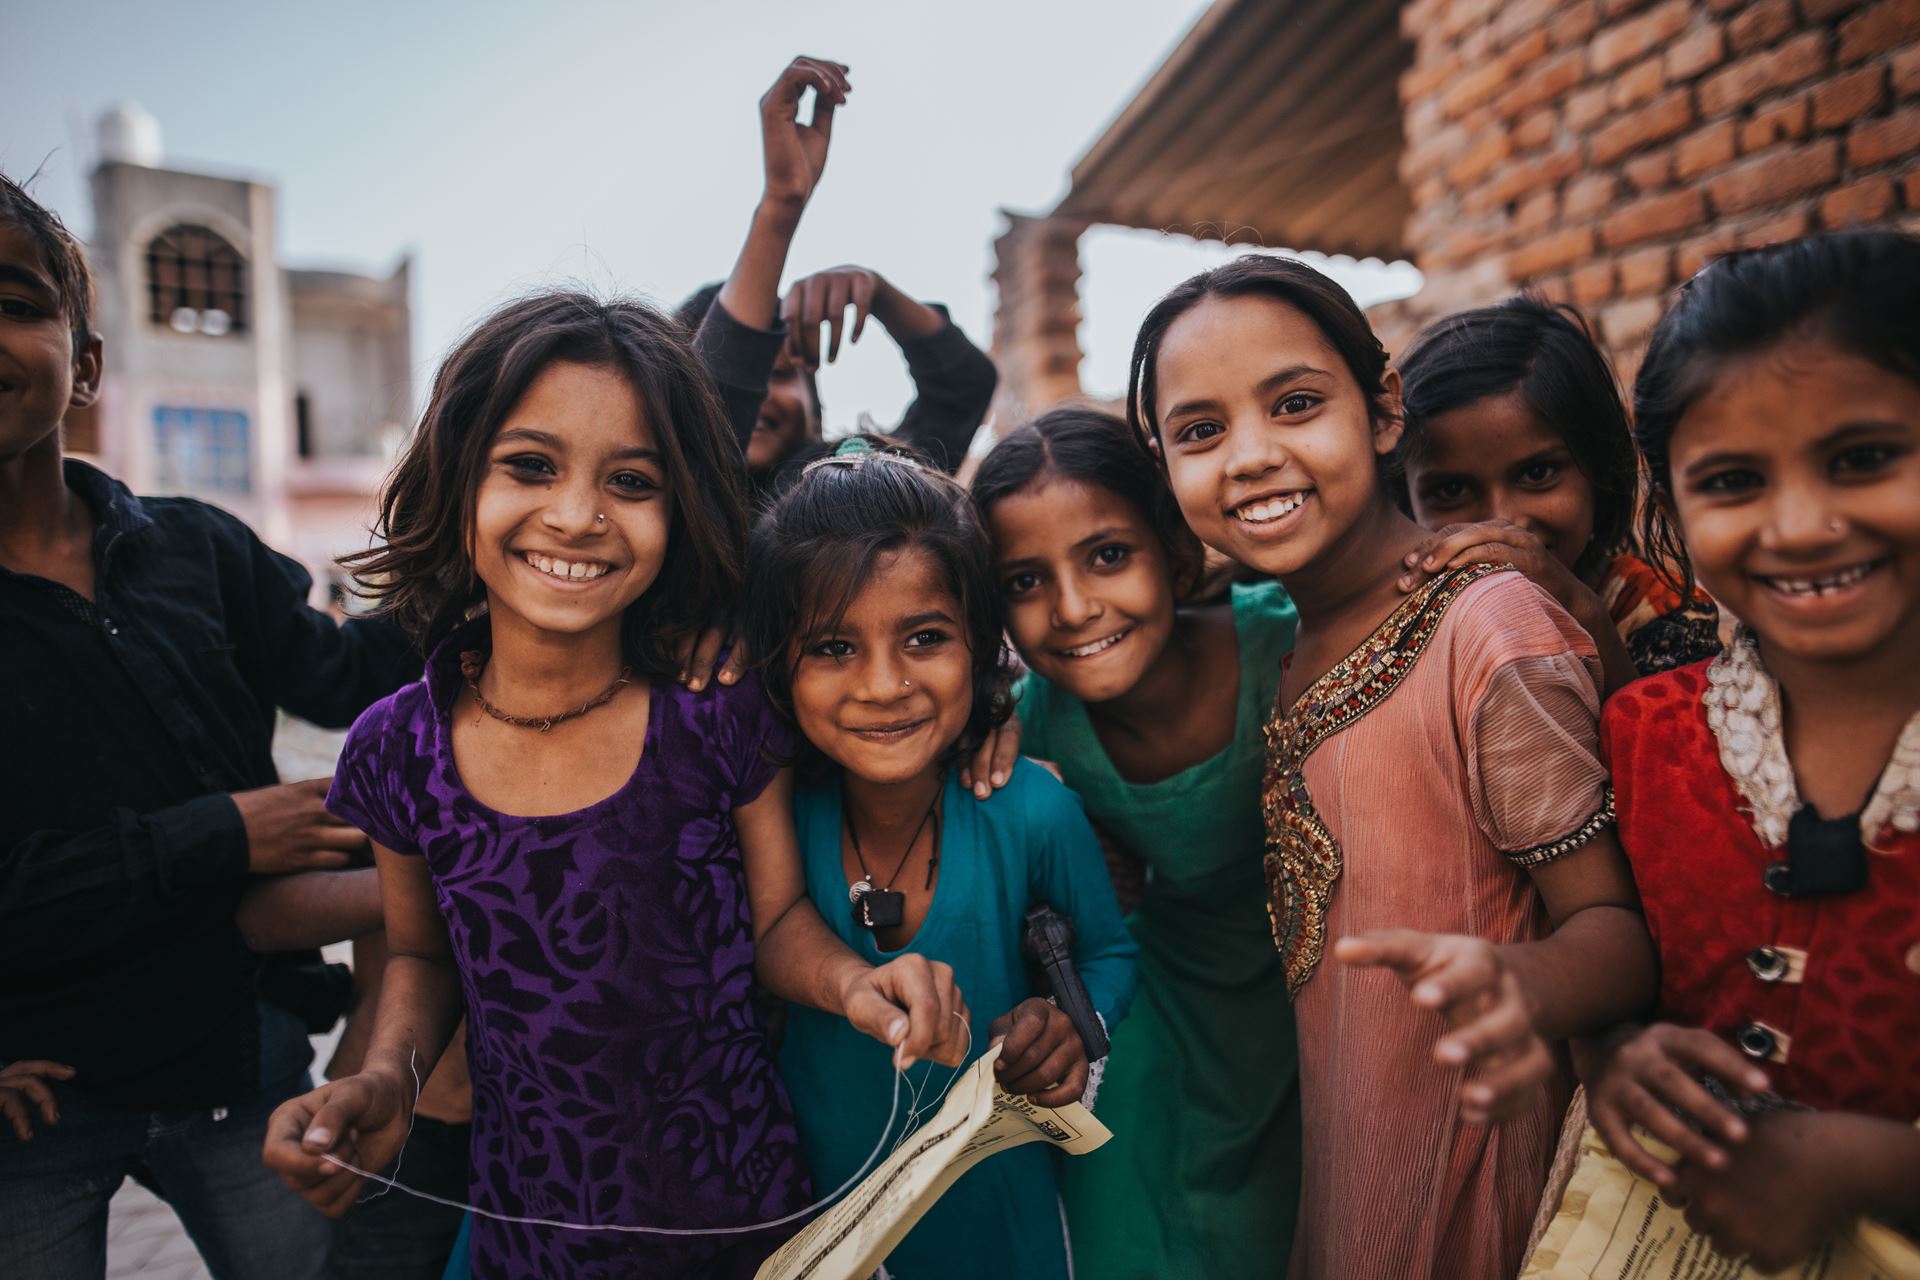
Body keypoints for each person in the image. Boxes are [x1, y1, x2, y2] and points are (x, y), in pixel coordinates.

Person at [257, 285, 968, 1280]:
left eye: (631, 480)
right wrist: (385, 1076)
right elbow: (420, 955)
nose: (578, 514)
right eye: (531, 465)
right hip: (533, 1232)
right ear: (458, 475)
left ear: (682, 510)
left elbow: (774, 925)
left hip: (748, 1216)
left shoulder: (713, 713)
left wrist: (856, 983)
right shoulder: (399, 747)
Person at [1127, 253, 1657, 1279]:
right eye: (1201, 431)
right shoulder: (1286, 639)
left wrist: (1525, 978)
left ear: (1382, 411)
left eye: (1293, 403)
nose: (1249, 456)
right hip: (1346, 1182)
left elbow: (1617, 931)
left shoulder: (1485, 628)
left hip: (1474, 1179)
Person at [0, 171, 419, 1279]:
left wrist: (481, 547)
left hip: (244, 1066)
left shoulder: (200, 547)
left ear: (85, 361)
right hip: (33, 1113)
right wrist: (223, 834)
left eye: (14, 300)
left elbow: (352, 674)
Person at [1581, 230, 1920, 1271]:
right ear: (1671, 501)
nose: (1803, 524)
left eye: (1862, 458)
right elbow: (1624, 985)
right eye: (1732, 479)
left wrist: (1867, 1165)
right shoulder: (1646, 731)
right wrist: (1614, 1057)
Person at [743, 438, 1137, 1280]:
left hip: (1006, 1212)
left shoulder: (1031, 807)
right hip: (820, 1210)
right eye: (833, 648)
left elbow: (1109, 952)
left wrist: (1070, 1024)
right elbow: (774, 925)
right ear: (778, 665)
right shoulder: (778, 806)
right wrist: (852, 987)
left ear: (983, 644)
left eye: (924, 637)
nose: (884, 684)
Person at [970, 405, 1302, 1277]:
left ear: (1178, 552)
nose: (1074, 608)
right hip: (1158, 993)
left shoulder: (1291, 644)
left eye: (1108, 556)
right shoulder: (1028, 728)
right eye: (1024, 582)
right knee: (1129, 1219)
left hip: (1317, 988)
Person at [1392, 295, 1721, 689]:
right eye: (1452, 489)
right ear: (1403, 500)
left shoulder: (1659, 613)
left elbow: (1673, 741)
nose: (1503, 520)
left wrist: (1582, 612)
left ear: (1599, 470)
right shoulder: (1398, 619)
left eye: (1537, 473)